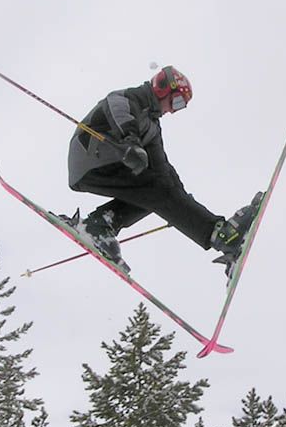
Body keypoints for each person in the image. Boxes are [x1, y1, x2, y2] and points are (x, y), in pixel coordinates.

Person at [66, 65, 263, 273]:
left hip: (102, 166)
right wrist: (130, 141)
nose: (172, 110)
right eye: (176, 101)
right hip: (92, 156)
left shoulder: (152, 127)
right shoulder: (130, 98)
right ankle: (221, 236)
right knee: (157, 191)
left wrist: (182, 204)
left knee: (158, 192)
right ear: (162, 87)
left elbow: (164, 172)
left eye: (180, 107)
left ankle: (100, 225)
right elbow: (119, 110)